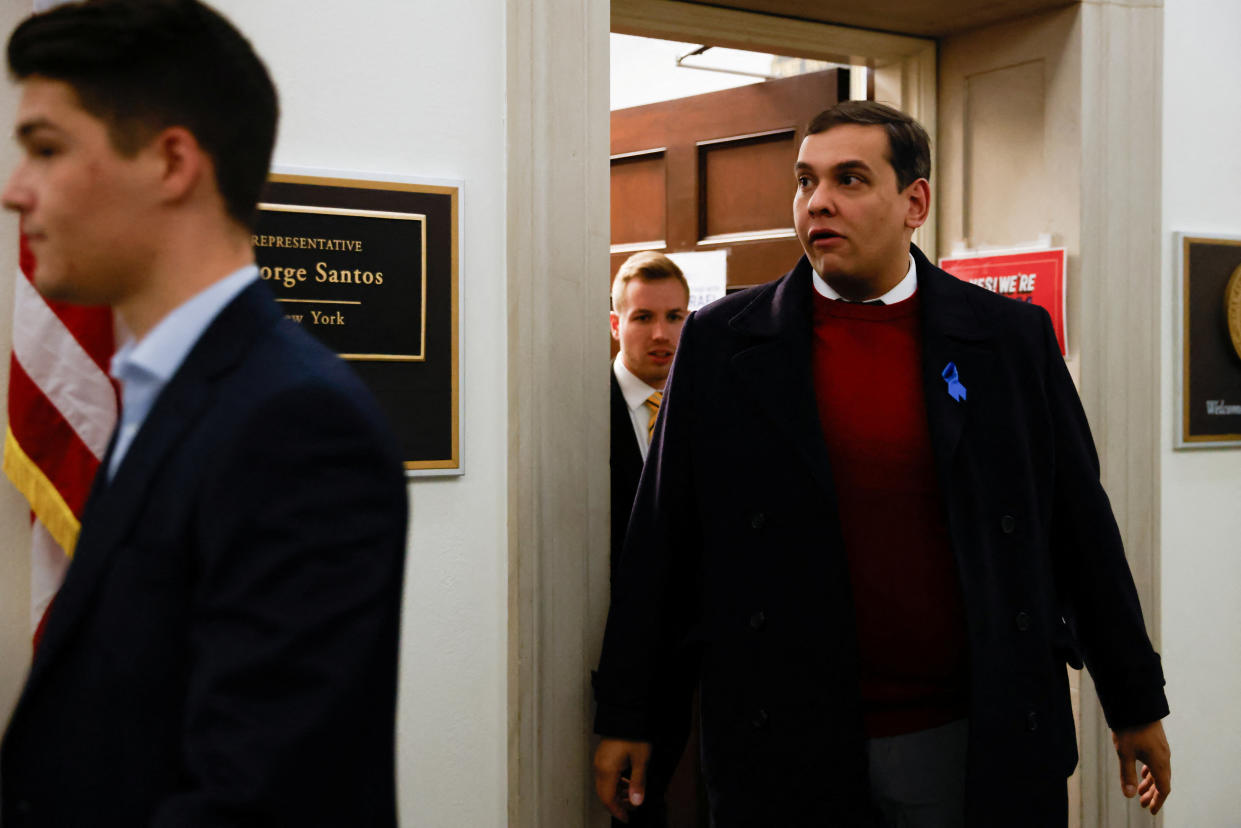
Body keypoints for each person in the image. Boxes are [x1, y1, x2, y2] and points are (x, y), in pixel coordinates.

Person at [592, 100, 1171, 827]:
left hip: (963, 733)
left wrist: (1134, 704)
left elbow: (1079, 530)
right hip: (785, 736)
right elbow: (662, 545)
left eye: (850, 179)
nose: (817, 202)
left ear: (913, 202)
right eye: (805, 182)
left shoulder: (1006, 339)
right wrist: (630, 713)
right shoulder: (723, 344)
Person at [0, 2, 408, 825]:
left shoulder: (295, 423)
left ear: (171, 161)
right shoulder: (163, 392)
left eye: (46, 149)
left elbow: (260, 798)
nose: (15, 192)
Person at [607, 251, 695, 828]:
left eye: (676, 316)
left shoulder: (707, 409)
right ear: (615, 323)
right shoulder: (577, 412)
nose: (661, 334)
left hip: (695, 666)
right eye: (642, 318)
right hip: (610, 665)